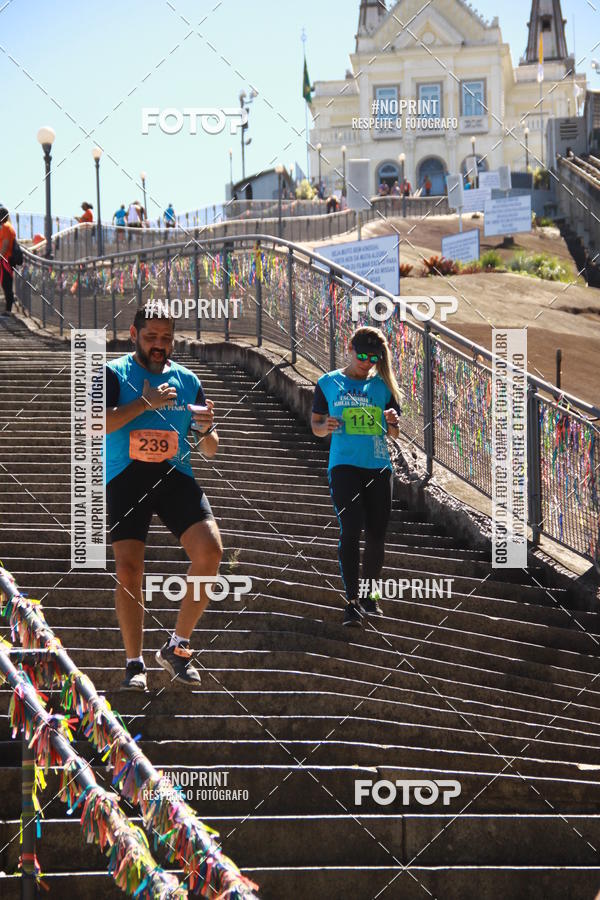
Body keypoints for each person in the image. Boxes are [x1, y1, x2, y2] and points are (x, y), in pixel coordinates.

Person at [105, 305, 222, 690]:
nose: (159, 345)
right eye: (151, 337)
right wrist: (145, 403)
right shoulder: (114, 372)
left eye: (166, 338)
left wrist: (206, 429)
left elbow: (211, 449)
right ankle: (134, 662)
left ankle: (177, 645)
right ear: (133, 333)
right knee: (129, 570)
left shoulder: (187, 379)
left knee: (211, 551)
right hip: (127, 476)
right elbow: (95, 422)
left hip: (175, 474)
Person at [311, 326, 402, 627]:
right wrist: (327, 427)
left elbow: (394, 432)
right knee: (351, 527)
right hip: (344, 465)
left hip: (377, 465)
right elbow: (316, 425)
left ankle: (369, 596)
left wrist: (391, 422)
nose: (366, 362)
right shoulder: (328, 382)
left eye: (372, 358)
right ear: (349, 348)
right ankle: (351, 601)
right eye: (361, 355)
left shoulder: (384, 386)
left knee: (376, 534)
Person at [0, 207, 16, 315]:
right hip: (7, 260)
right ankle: (8, 308)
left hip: (6, 260)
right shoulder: (9, 227)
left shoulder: (6, 227)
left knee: (6, 284)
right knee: (6, 283)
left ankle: (9, 309)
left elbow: (5, 244)